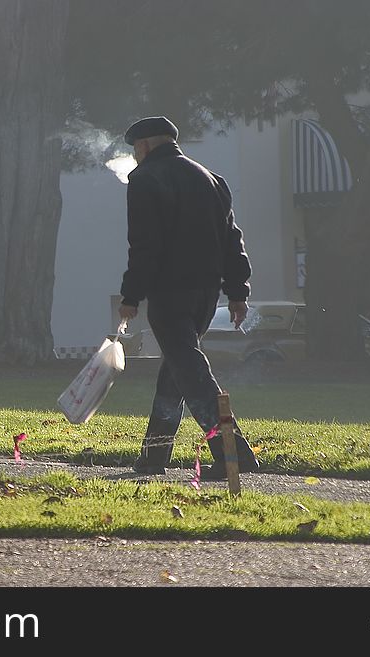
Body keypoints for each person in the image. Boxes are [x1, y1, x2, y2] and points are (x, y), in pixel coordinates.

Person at [118, 116, 260, 478]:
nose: (136, 156)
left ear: (145, 146)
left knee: (191, 372)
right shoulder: (212, 179)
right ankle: (153, 456)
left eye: (136, 149)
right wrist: (238, 292)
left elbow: (144, 246)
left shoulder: (145, 180)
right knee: (177, 371)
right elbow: (233, 240)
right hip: (205, 296)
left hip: (169, 293)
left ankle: (233, 455)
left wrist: (131, 295)